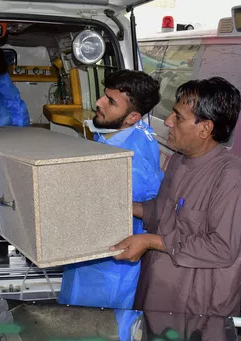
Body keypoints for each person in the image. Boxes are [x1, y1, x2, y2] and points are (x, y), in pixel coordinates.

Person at [111, 77, 241, 316]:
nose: (167, 122)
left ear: (205, 128)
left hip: (195, 307)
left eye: (177, 117)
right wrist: (127, 207)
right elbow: (163, 211)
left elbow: (223, 247)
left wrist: (151, 241)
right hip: (157, 289)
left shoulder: (231, 177)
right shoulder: (180, 159)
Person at [58, 70, 164, 310]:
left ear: (132, 117)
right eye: (104, 95)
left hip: (110, 271)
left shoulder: (133, 164)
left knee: (101, 327)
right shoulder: (113, 134)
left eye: (110, 101)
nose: (98, 103)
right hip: (89, 261)